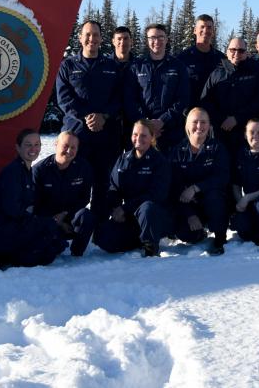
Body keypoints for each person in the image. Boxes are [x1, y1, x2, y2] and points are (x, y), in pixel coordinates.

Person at [56, 20, 124, 217]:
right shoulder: (68, 66)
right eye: (87, 34)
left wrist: (104, 116)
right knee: (75, 180)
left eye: (95, 35)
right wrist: (87, 117)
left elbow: (119, 97)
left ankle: (99, 224)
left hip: (106, 135)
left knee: (103, 182)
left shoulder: (111, 66)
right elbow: (64, 99)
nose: (91, 39)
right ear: (80, 38)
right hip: (77, 135)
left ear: (102, 39)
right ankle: (72, 221)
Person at [0, 129, 67, 268]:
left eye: (37, 144)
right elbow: (12, 209)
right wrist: (41, 222)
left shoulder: (27, 170)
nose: (33, 149)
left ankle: (6, 256)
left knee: (53, 247)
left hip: (14, 228)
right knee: (49, 231)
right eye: (28, 145)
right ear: (18, 147)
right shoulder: (12, 172)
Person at [93, 120, 173, 257]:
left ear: (152, 137)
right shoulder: (123, 159)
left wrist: (125, 208)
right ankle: (138, 239)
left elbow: (157, 194)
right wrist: (115, 209)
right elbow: (114, 188)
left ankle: (150, 245)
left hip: (154, 216)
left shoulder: (160, 162)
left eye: (144, 135)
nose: (138, 139)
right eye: (135, 134)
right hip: (130, 216)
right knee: (103, 237)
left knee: (148, 208)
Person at [168, 108, 231, 255]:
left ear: (209, 126)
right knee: (185, 234)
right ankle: (199, 234)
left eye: (203, 122)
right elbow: (174, 186)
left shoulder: (217, 148)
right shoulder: (177, 151)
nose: (199, 126)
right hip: (188, 204)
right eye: (195, 122)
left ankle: (220, 238)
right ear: (187, 126)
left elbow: (222, 177)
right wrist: (189, 214)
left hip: (212, 202)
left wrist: (196, 187)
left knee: (215, 197)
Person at [126, 23, 190, 151]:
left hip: (171, 132)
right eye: (152, 38)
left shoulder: (178, 67)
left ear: (166, 39)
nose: (157, 41)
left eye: (161, 37)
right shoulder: (136, 67)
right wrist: (146, 123)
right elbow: (129, 99)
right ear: (147, 40)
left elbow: (183, 98)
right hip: (142, 133)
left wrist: (162, 121)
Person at [32, 131, 96, 256]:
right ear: (56, 144)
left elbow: (84, 198)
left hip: (70, 215)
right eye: (65, 146)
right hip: (48, 219)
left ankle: (76, 253)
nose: (69, 151)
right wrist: (57, 221)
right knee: (50, 249)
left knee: (86, 216)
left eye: (73, 147)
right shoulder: (40, 170)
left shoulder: (83, 167)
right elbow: (35, 204)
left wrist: (66, 214)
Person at [200, 37, 259, 150]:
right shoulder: (217, 74)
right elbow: (205, 101)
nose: (236, 53)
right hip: (219, 132)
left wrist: (237, 118)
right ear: (227, 51)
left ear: (246, 53)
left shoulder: (256, 73)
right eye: (233, 50)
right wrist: (221, 119)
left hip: (247, 135)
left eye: (241, 51)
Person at [177, 14, 224, 108]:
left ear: (213, 31)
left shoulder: (222, 59)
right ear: (195, 30)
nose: (206, 30)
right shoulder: (182, 58)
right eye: (202, 27)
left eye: (209, 27)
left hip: (215, 115)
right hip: (189, 115)